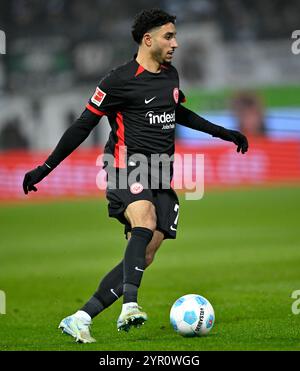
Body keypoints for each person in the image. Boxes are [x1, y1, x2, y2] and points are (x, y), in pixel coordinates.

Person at [22, 8, 248, 344]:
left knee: (145, 252)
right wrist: (45, 167)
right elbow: (83, 125)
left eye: (175, 36)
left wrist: (222, 132)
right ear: (148, 39)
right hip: (124, 167)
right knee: (144, 220)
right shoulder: (118, 80)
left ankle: (80, 317)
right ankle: (130, 306)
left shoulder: (170, 75)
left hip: (159, 174)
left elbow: (176, 109)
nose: (176, 43)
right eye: (169, 36)